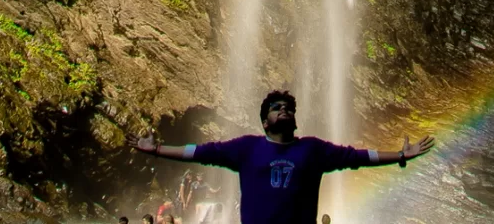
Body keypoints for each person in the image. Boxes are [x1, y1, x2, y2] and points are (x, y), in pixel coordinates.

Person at [135, 90, 435, 224]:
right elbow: (200, 153)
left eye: (288, 108)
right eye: (276, 107)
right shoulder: (246, 147)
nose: (284, 110)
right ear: (265, 121)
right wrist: (158, 150)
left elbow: (357, 157)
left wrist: (398, 155)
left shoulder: (313, 150)